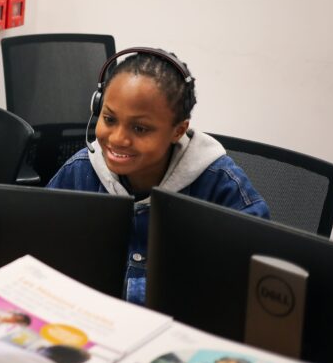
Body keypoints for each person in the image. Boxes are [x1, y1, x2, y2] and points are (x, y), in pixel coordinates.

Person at [46, 48, 269, 305]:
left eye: (140, 128)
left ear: (178, 130)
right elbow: (39, 250)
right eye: (109, 119)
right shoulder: (80, 172)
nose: (118, 138)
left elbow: (257, 286)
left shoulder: (221, 187)